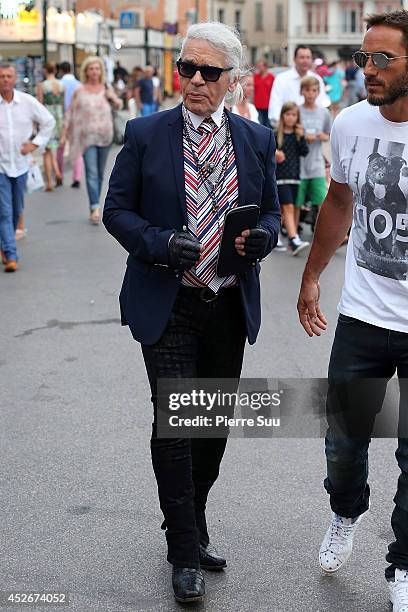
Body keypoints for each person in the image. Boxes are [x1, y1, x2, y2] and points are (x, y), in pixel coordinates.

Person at [103, 21, 280, 604]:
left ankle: (192, 518)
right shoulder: (147, 133)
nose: (196, 81)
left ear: (232, 79)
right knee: (176, 425)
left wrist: (261, 240)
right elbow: (117, 211)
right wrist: (158, 242)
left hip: (227, 301)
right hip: (169, 300)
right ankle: (183, 550)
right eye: (187, 69)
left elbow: (272, 217)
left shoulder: (255, 139)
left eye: (209, 72)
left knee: (210, 427)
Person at [297, 10, 408, 612]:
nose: (369, 69)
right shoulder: (350, 124)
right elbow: (339, 200)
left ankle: (404, 566)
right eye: (365, 57)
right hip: (363, 316)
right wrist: (312, 275)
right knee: (343, 442)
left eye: (383, 58)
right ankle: (346, 511)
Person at [0, 62, 54, 272]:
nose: (5, 79)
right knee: (4, 211)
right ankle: (12, 255)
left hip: (21, 165)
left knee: (16, 209)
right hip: (1, 167)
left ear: (14, 79)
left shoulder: (26, 102)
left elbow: (48, 121)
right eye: (2, 76)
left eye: (8, 76)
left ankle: (5, 245)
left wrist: (35, 143)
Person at [60, 56, 122, 225]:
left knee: (100, 174)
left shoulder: (106, 88)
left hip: (105, 136)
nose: (94, 72)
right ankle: (95, 206)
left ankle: (94, 202)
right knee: (92, 172)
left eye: (97, 68)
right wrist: (64, 132)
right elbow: (71, 112)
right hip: (86, 137)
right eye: (91, 69)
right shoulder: (79, 90)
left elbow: (118, 105)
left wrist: (112, 97)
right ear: (86, 71)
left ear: (101, 71)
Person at [296, 76, 331, 232]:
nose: (311, 94)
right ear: (302, 91)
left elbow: (327, 135)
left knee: (321, 200)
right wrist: (302, 135)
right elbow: (290, 131)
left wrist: (320, 136)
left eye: (314, 90)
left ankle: (321, 231)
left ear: (318, 93)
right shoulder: (296, 111)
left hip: (317, 163)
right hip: (299, 164)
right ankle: (294, 232)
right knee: (297, 201)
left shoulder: (324, 113)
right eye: (307, 90)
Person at [274, 101, 309, 255]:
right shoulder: (275, 134)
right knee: (287, 206)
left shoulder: (297, 134)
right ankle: (293, 239)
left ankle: (274, 238)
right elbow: (268, 153)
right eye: (288, 114)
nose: (290, 118)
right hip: (280, 178)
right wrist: (275, 153)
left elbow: (304, 152)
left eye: (294, 115)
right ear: (282, 116)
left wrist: (301, 137)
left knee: (284, 210)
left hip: (294, 177)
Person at [268, 45, 330, 126]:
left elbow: (321, 103)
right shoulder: (282, 79)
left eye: (308, 57)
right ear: (294, 59)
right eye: (302, 57)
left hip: (313, 131)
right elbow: (275, 108)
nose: (305, 61)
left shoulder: (317, 79)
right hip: (288, 130)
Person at [36, 62, 64, 192]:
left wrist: (36, 123)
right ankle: (57, 172)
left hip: (47, 116)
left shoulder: (42, 85)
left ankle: (49, 182)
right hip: (58, 116)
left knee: (46, 150)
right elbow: (63, 104)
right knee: (52, 148)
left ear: (45, 70)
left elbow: (40, 105)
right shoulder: (61, 85)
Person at [57, 61, 83, 189]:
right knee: (76, 148)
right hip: (76, 119)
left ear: (61, 70)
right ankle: (77, 177)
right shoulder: (79, 85)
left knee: (60, 147)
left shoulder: (59, 84)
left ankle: (59, 175)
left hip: (60, 118)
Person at [253, 58, 274, 127]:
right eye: (258, 66)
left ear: (265, 67)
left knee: (268, 126)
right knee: (259, 125)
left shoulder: (271, 78)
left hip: (268, 106)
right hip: (257, 106)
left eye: (260, 66)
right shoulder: (255, 77)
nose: (259, 68)